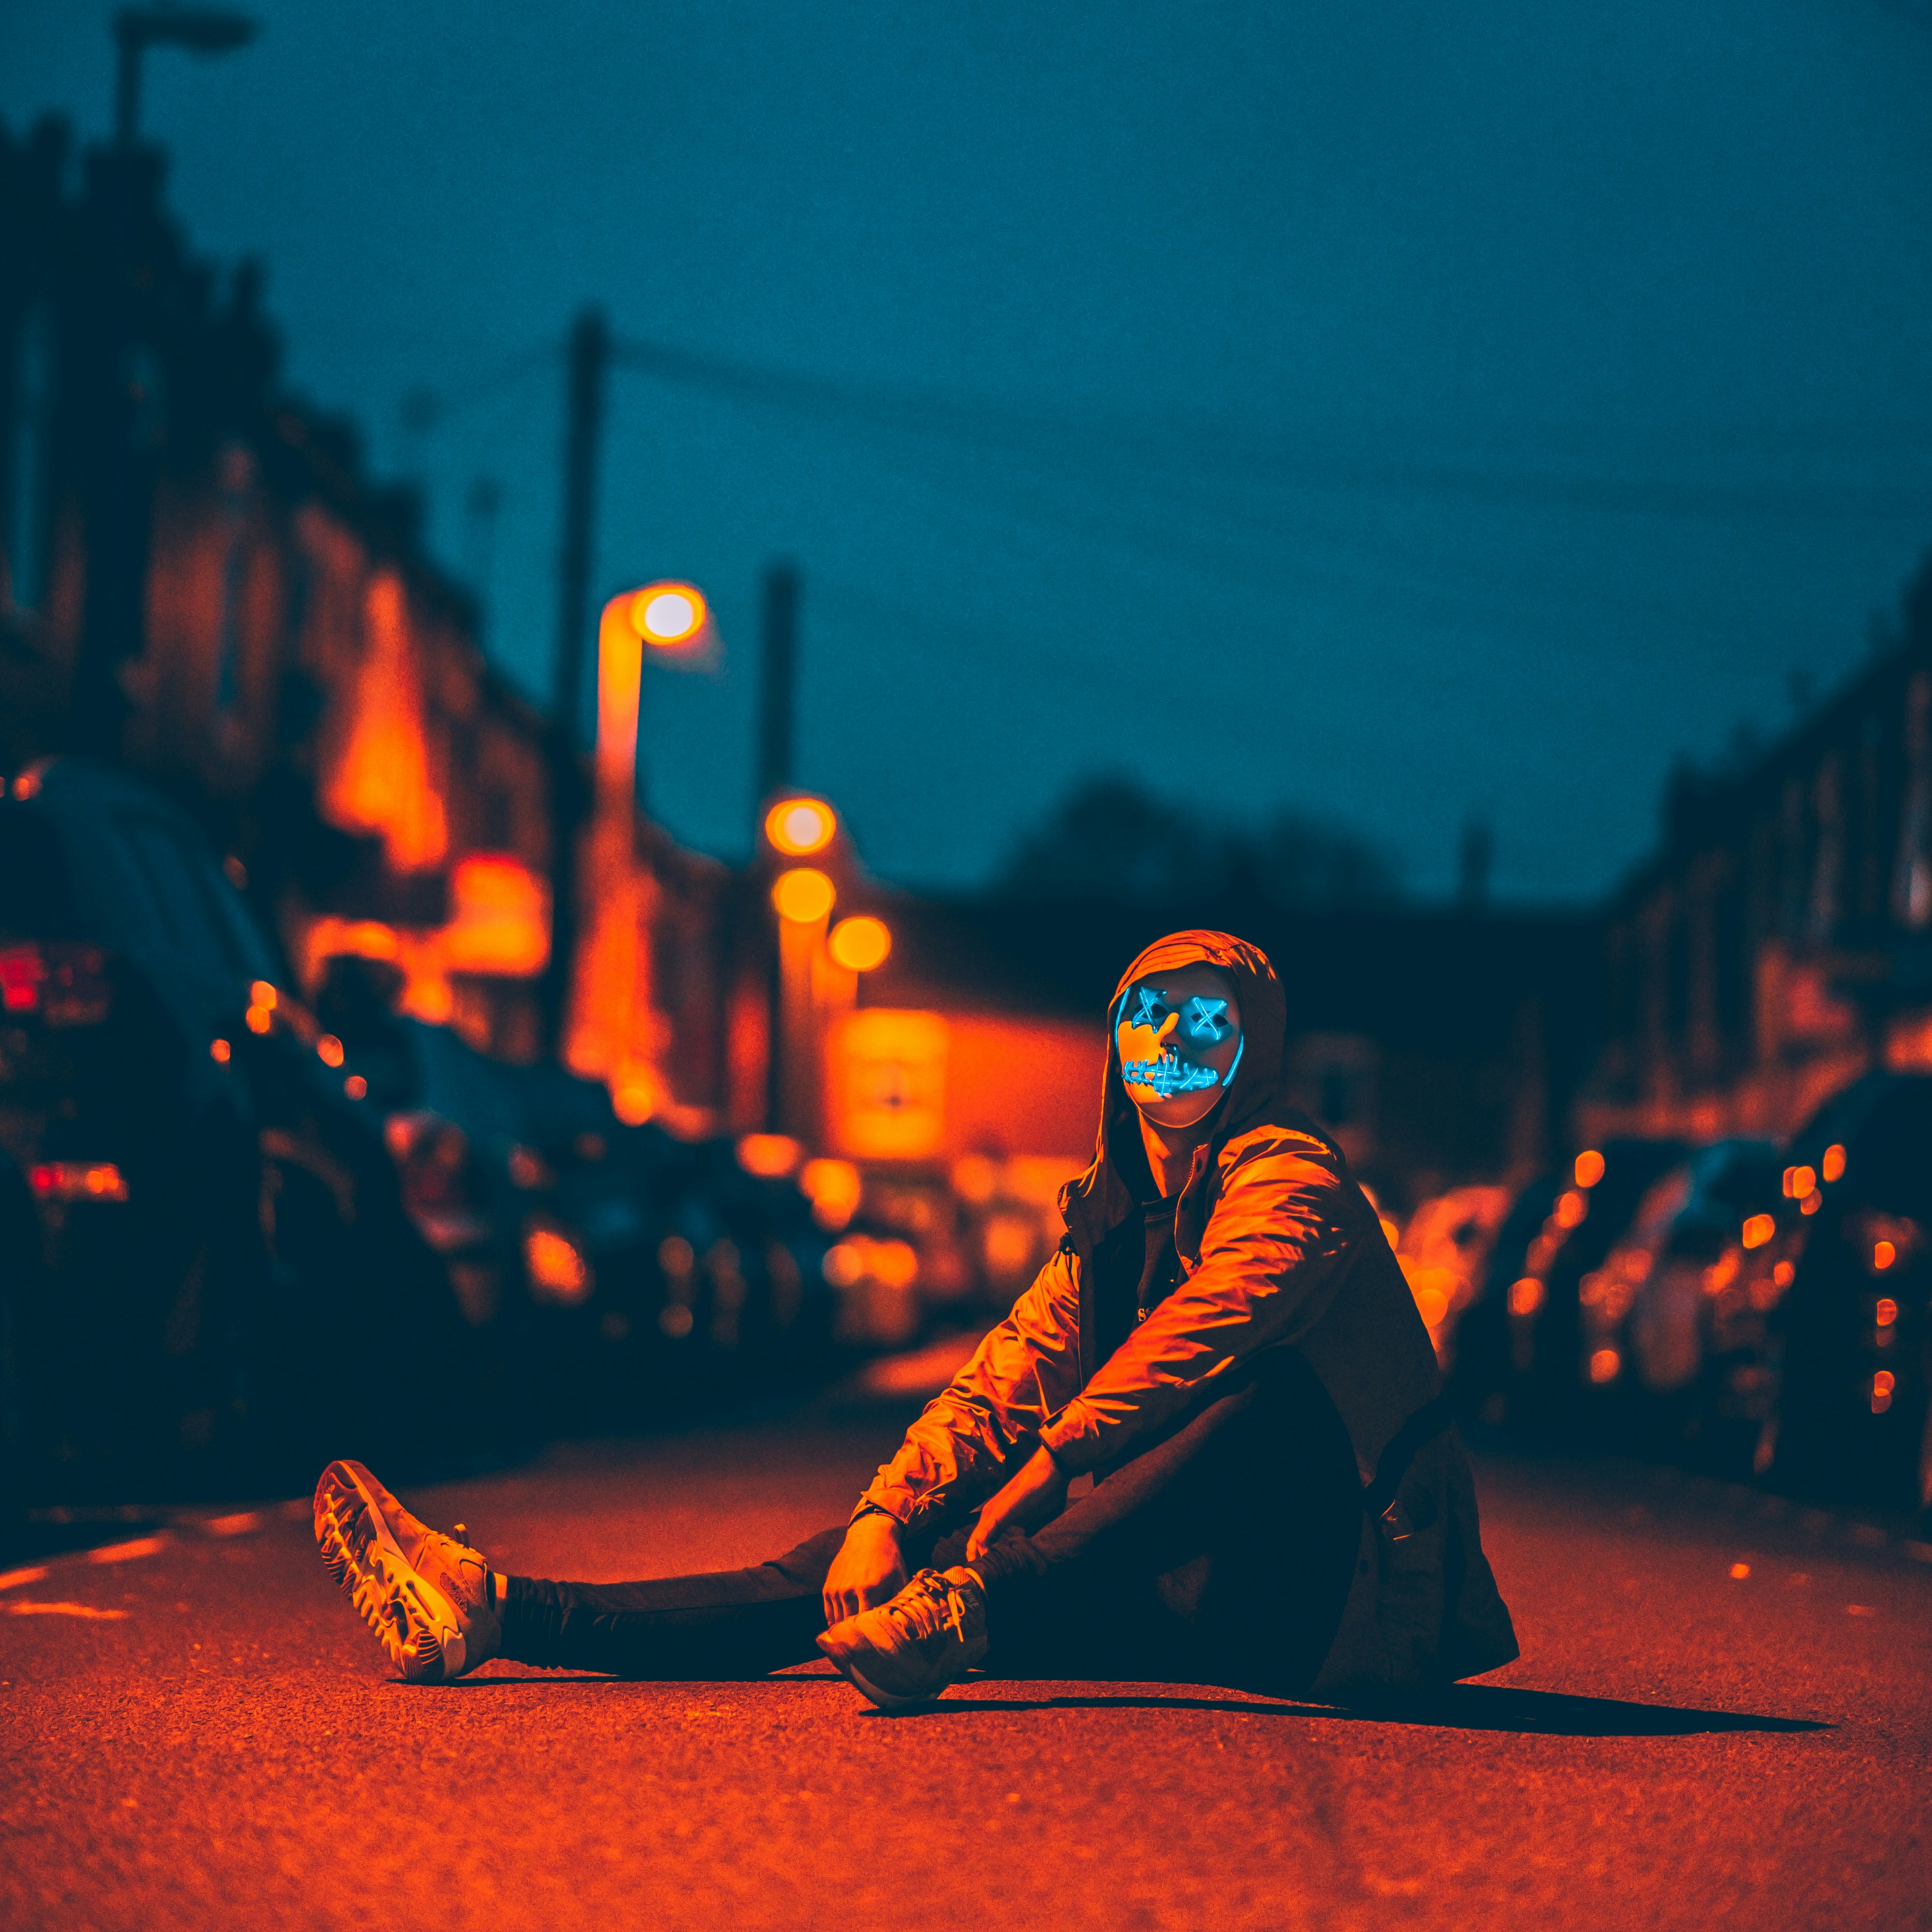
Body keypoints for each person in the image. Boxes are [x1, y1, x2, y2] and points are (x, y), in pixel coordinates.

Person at [315, 930, 1518, 1710]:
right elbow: (1003, 1375)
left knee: (1267, 1394)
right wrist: (888, 1514)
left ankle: (970, 1605)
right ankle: (499, 1610)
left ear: (1250, 1049)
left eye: (1207, 1023)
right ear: (1118, 1043)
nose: (1171, 1044)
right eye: (1148, 1018)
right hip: (1183, 1592)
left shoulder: (1294, 1176)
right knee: (847, 1571)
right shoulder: (1111, 1223)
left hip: (1352, 1607)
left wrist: (1054, 1464)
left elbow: (1216, 1318)